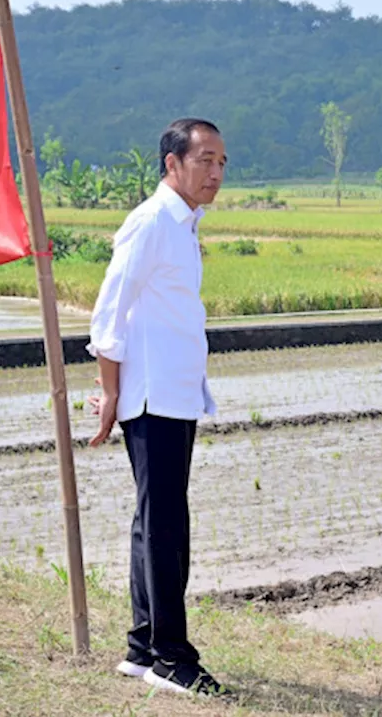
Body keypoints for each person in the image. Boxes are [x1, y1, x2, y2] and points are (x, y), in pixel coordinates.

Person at [87, 118, 231, 698]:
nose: (215, 173)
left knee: (157, 521)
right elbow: (108, 315)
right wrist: (113, 395)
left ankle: (144, 647)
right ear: (171, 165)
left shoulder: (183, 225)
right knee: (166, 525)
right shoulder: (151, 223)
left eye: (222, 163)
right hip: (152, 400)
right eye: (205, 161)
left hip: (175, 394)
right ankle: (172, 658)